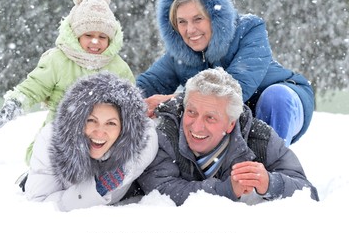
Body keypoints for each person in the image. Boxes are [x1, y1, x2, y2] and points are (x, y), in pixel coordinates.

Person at [136, 0, 314, 146]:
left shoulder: (249, 30)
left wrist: (168, 100)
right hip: (234, 117)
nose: (190, 30)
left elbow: (234, 88)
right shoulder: (179, 55)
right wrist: (116, 100)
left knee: (275, 97)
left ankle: (271, 167)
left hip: (283, 103)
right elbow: (148, 83)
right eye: (182, 22)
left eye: (198, 19)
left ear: (214, 18)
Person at [137, 67, 319, 206]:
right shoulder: (164, 132)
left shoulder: (260, 139)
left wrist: (270, 183)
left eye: (210, 117)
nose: (197, 126)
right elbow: (160, 189)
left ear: (231, 123)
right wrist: (226, 190)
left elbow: (307, 192)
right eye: (191, 112)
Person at [0, 0, 135, 164]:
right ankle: (39, 175)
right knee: (46, 156)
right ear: (76, 36)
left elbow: (130, 99)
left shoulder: (117, 66)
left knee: (111, 159)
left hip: (100, 134)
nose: (95, 42)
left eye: (102, 37)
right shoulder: (58, 60)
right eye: (89, 35)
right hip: (61, 128)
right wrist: (16, 102)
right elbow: (36, 84)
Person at [24, 72, 158, 212]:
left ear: (124, 129)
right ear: (77, 120)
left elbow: (148, 133)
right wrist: (95, 190)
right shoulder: (49, 140)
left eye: (111, 123)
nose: (100, 132)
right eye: (91, 120)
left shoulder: (141, 142)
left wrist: (125, 169)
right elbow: (41, 206)